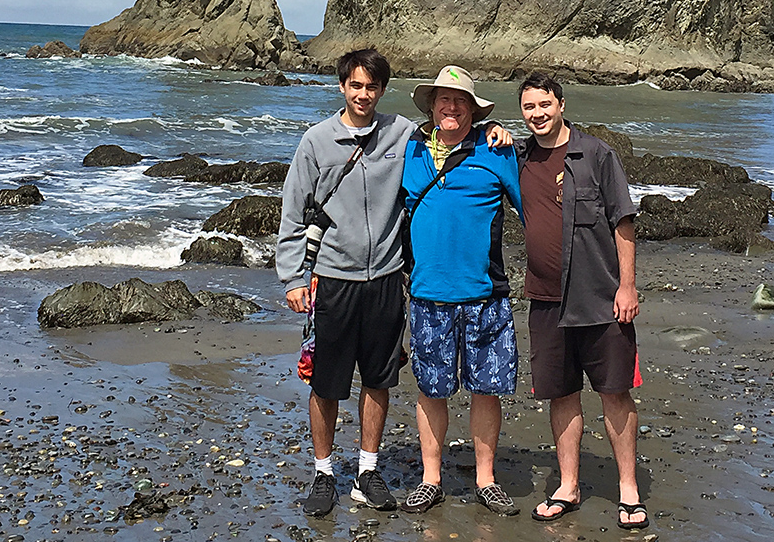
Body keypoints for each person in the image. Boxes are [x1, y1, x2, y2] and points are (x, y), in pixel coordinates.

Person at [276, 50, 511, 518]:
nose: (363, 95)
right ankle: (324, 472)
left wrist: (493, 130)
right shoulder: (316, 141)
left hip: (386, 278)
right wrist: (293, 277)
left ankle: (367, 469)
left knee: (379, 379)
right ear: (343, 87)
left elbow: (451, 131)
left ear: (382, 90)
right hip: (332, 279)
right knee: (325, 382)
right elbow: (292, 212)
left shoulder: (402, 133)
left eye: (372, 87)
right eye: (355, 86)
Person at [516, 72, 648, 530]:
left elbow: (623, 221)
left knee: (614, 390)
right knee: (561, 393)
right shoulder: (518, 156)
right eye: (529, 107)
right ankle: (568, 486)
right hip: (546, 300)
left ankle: (628, 489)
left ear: (561, 104)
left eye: (544, 105)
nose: (537, 114)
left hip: (600, 297)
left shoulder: (595, 154)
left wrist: (627, 286)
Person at [400, 65, 523, 517]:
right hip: (428, 293)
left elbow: (535, 213)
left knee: (486, 389)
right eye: (443, 100)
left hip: (484, 294)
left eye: (460, 101)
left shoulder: (497, 151)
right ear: (431, 106)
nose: (451, 108)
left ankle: (485, 480)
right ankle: (431, 479)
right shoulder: (410, 148)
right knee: (431, 390)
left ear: (474, 109)